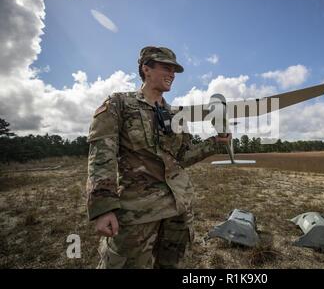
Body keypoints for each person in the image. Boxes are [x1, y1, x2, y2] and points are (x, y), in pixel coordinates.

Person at [86, 46, 231, 268]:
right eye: (166, 67)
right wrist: (103, 206)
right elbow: (101, 156)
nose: (172, 74)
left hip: (178, 210)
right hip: (138, 214)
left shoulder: (176, 115)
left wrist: (215, 143)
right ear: (146, 69)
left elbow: (182, 157)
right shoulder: (119, 104)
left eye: (174, 70)